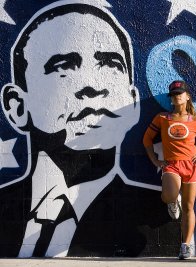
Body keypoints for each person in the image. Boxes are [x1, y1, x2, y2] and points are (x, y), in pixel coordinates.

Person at [0, 1, 168, 257]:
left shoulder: (156, 215)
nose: (92, 86)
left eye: (111, 64)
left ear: (133, 102)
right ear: (17, 106)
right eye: (63, 66)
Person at [143, 80, 196, 259]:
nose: (176, 96)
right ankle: (172, 202)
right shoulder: (162, 118)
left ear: (187, 97)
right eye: (173, 94)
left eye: (180, 93)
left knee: (188, 207)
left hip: (192, 166)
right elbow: (147, 140)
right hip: (172, 164)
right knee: (169, 195)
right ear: (171, 99)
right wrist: (155, 160)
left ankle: (185, 246)